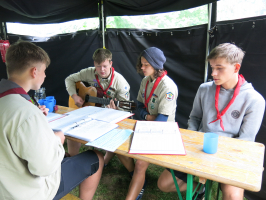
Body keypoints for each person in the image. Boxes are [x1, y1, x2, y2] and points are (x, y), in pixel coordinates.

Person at [157, 43, 265, 200]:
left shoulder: (254, 100)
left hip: (229, 157)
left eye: (219, 68)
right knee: (164, 184)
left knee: (233, 196)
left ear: (236, 68)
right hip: (198, 149)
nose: (213, 73)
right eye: (212, 67)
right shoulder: (204, 89)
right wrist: (194, 147)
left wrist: (212, 165)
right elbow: (194, 119)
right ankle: (198, 190)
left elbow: (245, 142)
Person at [0, 41, 104, 200]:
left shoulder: (15, 104)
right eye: (44, 71)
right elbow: (44, 167)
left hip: (6, 187)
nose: (45, 75)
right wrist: (57, 140)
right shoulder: (26, 112)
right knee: (96, 157)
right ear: (34, 71)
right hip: (30, 193)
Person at [119, 47, 178, 200]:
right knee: (119, 146)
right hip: (146, 125)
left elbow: (161, 122)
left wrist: (147, 118)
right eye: (141, 64)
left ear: (156, 65)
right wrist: (147, 117)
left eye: (146, 65)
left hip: (163, 132)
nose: (142, 68)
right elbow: (138, 107)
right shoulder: (146, 81)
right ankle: (138, 178)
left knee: (140, 164)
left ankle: (136, 187)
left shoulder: (168, 87)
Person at [65, 48, 131, 166]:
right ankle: (72, 159)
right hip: (90, 112)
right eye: (99, 66)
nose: (102, 70)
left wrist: (116, 110)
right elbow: (69, 79)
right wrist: (74, 96)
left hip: (110, 115)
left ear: (111, 63)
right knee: (71, 126)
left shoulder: (121, 82)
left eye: (105, 66)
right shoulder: (89, 72)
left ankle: (105, 159)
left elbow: (125, 110)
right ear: (94, 63)